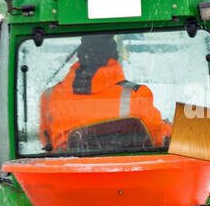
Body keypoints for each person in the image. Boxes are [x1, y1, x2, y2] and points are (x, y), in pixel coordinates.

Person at [39, 33, 172, 151]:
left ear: (80, 55)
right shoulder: (135, 96)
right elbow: (158, 136)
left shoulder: (50, 97)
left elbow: (48, 143)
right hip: (127, 176)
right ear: (114, 57)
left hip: (69, 177)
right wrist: (183, 128)